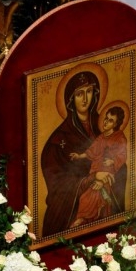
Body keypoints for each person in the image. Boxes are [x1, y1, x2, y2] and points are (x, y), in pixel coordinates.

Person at [41, 70, 101, 237]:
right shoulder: (59, 139)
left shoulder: (103, 125)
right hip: (72, 205)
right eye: (79, 94)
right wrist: (86, 181)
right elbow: (56, 181)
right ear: (71, 99)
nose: (85, 99)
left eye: (89, 91)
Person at [70, 105, 128, 227]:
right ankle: (84, 219)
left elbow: (123, 154)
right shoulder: (101, 137)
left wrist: (113, 161)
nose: (106, 122)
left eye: (110, 120)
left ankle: (82, 218)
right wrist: (79, 156)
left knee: (93, 195)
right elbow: (92, 151)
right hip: (97, 170)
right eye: (106, 118)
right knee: (85, 196)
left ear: (116, 124)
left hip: (109, 172)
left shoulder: (119, 137)